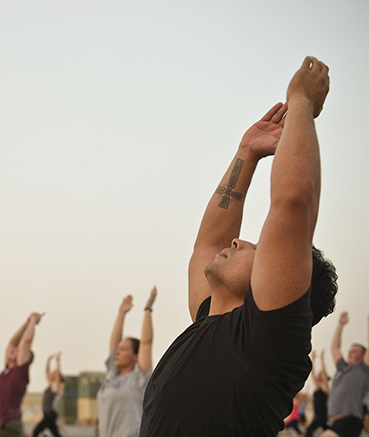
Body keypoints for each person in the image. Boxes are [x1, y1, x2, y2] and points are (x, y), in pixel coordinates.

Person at [139, 57, 338, 437]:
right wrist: (247, 152)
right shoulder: (208, 322)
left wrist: (301, 103)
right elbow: (209, 243)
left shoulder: (268, 341)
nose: (237, 241)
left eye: (260, 250)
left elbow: (293, 200)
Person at [98, 287, 157, 437]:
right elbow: (113, 344)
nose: (117, 352)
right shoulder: (113, 374)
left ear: (135, 356)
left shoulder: (139, 378)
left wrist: (147, 308)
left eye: (124, 349)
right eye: (119, 349)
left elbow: (146, 343)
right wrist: (121, 314)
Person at [0, 312, 44, 437]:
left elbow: (26, 341)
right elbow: (11, 343)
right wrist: (26, 324)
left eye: (18, 350)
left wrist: (33, 321)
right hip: (1, 424)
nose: (14, 349)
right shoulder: (8, 369)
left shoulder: (19, 371)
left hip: (9, 425)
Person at [322, 309, 369, 437]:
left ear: (363, 356)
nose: (349, 353)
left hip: (350, 420)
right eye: (349, 350)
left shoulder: (364, 369)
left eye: (354, 351)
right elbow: (335, 348)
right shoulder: (342, 368)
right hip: (335, 421)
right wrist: (340, 325)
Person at [33, 352, 65, 437]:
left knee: (36, 432)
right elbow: (46, 371)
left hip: (49, 414)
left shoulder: (55, 385)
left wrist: (57, 360)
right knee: (56, 434)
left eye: (54, 373)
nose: (51, 374)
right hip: (48, 414)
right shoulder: (50, 384)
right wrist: (49, 359)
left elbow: (58, 374)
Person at [305, 349, 330, 437]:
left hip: (322, 414)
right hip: (318, 413)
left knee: (309, 430)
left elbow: (324, 372)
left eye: (321, 374)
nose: (319, 374)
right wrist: (313, 359)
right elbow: (312, 373)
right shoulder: (317, 386)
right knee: (328, 429)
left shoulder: (325, 386)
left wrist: (322, 359)